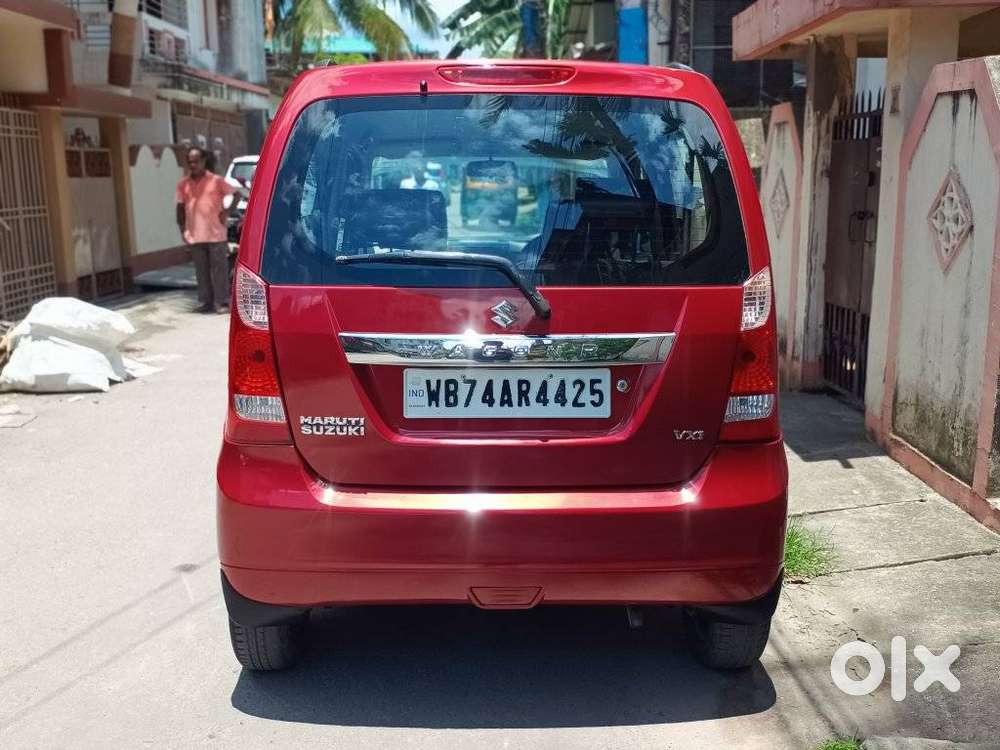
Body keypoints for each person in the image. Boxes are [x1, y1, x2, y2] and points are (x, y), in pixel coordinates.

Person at [176, 147, 237, 313]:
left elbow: (235, 193)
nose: (193, 164)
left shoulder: (216, 181)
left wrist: (227, 211)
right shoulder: (183, 184)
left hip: (216, 233)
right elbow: (180, 207)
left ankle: (222, 302)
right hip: (195, 234)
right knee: (201, 271)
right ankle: (205, 302)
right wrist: (182, 229)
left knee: (219, 271)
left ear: (203, 161)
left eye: (196, 161)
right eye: (190, 162)